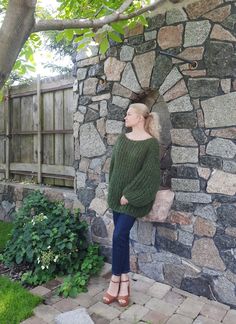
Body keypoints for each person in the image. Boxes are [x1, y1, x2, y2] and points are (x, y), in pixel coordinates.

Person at [103, 102, 161, 307]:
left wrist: (129, 195)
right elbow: (115, 168)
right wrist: (115, 192)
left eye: (128, 114)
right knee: (121, 238)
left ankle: (115, 280)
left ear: (139, 118)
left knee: (118, 235)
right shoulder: (122, 139)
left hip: (131, 200)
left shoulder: (151, 144)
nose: (125, 117)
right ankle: (124, 282)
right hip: (116, 198)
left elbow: (151, 175)